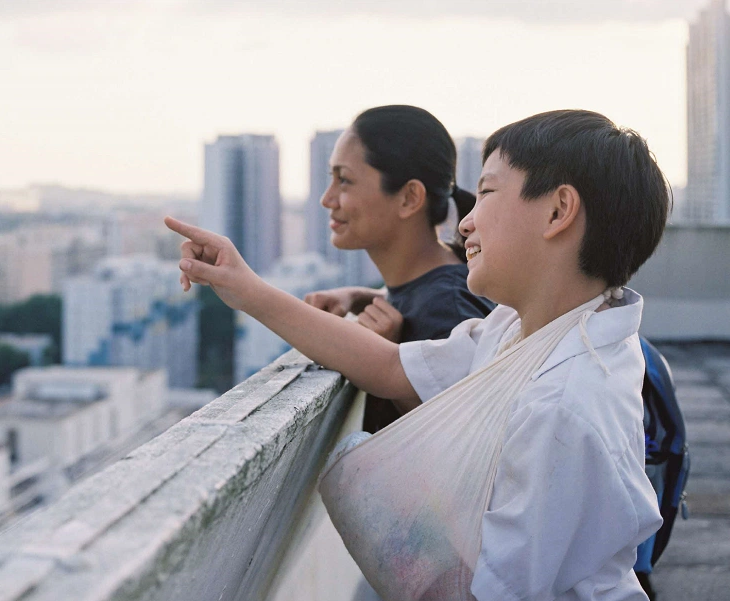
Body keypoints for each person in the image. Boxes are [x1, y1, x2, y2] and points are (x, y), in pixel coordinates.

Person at [165, 109, 667, 600]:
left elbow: (499, 591)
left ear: (558, 211)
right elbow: (390, 368)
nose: (465, 223)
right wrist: (245, 288)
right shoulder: (515, 331)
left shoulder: (563, 402)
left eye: (488, 191)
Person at [301, 105, 494, 433]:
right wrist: (361, 296)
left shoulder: (448, 307)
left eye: (344, 180)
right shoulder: (431, 285)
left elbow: (461, 444)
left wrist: (388, 359)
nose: (327, 199)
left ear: (409, 198)